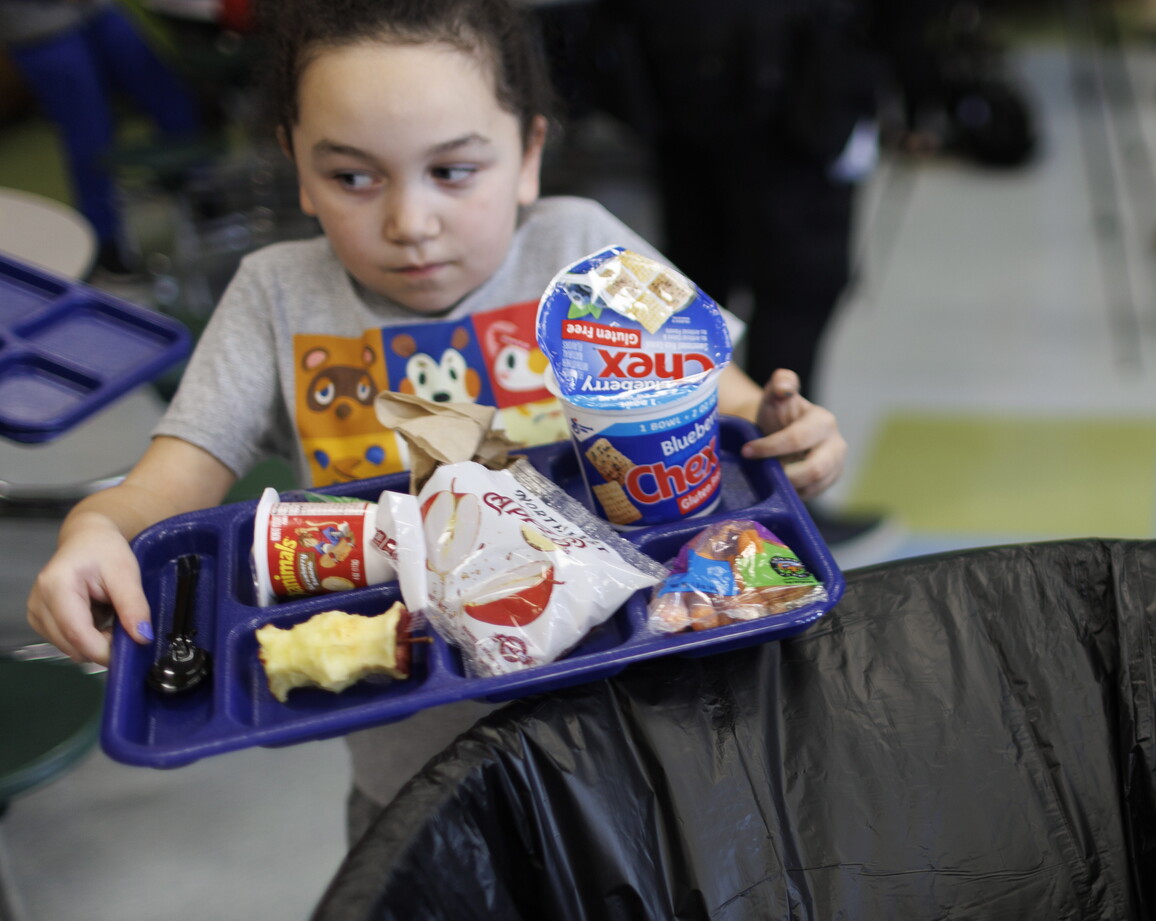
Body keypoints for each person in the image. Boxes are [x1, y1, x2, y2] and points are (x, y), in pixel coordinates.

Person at [26, 0, 848, 842]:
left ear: (529, 153)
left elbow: (739, 410)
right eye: (352, 176)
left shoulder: (586, 252)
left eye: (453, 171)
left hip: (640, 749)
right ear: (296, 166)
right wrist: (95, 527)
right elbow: (163, 490)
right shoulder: (276, 297)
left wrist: (792, 433)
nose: (410, 224)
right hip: (417, 787)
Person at [0, 0, 201, 274]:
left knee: (169, 96)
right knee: (90, 133)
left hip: (97, 8)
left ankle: (199, 190)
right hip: (38, 26)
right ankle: (105, 247)